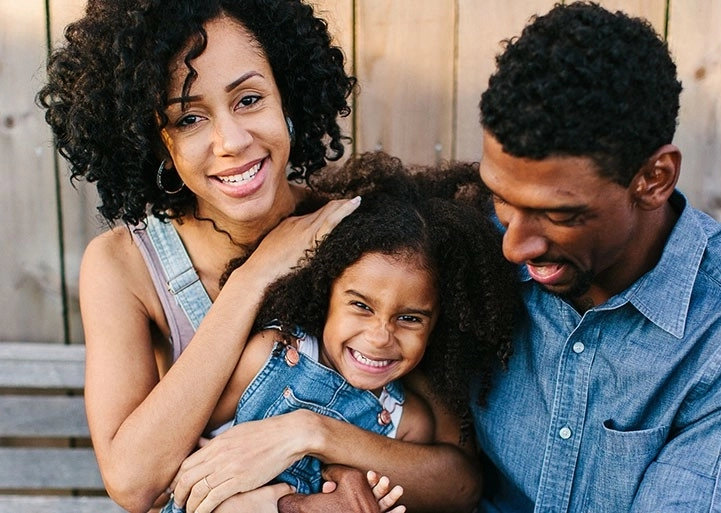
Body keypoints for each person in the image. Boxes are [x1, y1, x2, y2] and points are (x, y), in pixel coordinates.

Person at [36, 2, 482, 513]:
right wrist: (255, 276)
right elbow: (134, 482)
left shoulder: (360, 238)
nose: (231, 140)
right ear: (157, 143)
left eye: (249, 99)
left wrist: (309, 432)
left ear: (286, 97)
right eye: (189, 118)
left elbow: (460, 482)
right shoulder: (125, 266)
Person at [472, 2, 721, 512]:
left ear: (654, 179)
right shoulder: (469, 244)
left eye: (559, 215)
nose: (513, 246)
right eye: (502, 198)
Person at [163, 172, 521, 512]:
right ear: (325, 292)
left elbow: (450, 491)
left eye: (410, 318)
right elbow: (179, 459)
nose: (380, 337)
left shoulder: (407, 419)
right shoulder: (269, 355)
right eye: (361, 306)